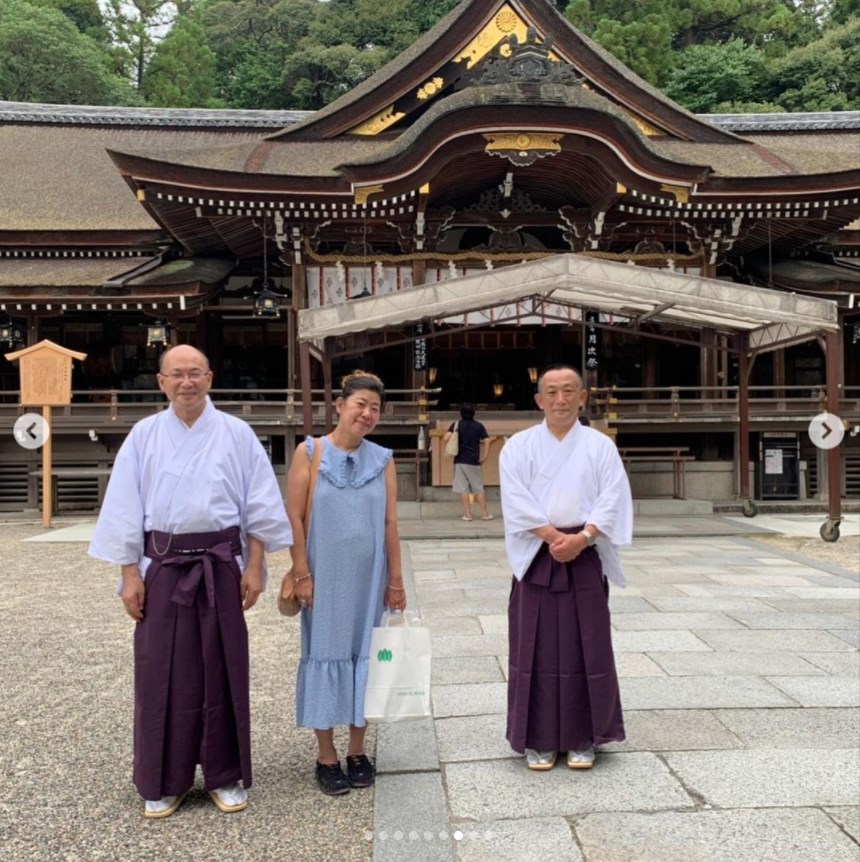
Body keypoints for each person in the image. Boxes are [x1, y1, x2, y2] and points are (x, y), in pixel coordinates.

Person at [88, 345, 292, 818]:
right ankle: (165, 778)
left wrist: (256, 565)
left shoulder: (237, 434)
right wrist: (128, 574)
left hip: (221, 562)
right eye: (176, 375)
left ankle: (224, 774)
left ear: (210, 377)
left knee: (222, 668)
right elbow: (123, 509)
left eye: (194, 373)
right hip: (161, 566)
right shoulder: (143, 436)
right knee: (162, 672)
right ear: (161, 382)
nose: (186, 382)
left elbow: (259, 505)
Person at [499, 364, 632, 771]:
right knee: (532, 648)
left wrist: (583, 537)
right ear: (539, 400)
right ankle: (538, 737)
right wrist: (553, 537)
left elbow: (613, 497)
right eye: (551, 392)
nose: (560, 399)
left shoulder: (599, 446)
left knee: (586, 645)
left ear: (582, 397)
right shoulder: (518, 446)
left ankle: (583, 736)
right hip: (539, 552)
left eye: (568, 391)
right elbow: (515, 498)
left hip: (584, 550)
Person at [285, 371, 407, 796]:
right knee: (324, 652)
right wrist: (301, 572)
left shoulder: (384, 459)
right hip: (325, 576)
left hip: (370, 577)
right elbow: (295, 519)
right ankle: (326, 755)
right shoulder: (310, 451)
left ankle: (357, 749)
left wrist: (396, 579)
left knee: (366, 657)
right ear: (339, 406)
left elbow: (391, 522)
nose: (367, 413)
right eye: (359, 404)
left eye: (374, 407)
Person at [442, 403, 493, 521]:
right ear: (474, 413)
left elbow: (445, 438)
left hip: (459, 461)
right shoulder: (479, 426)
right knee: (478, 488)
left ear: (461, 413)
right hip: (474, 461)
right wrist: (484, 457)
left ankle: (468, 514)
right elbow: (487, 441)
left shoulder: (456, 425)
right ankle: (485, 514)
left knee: (463, 489)